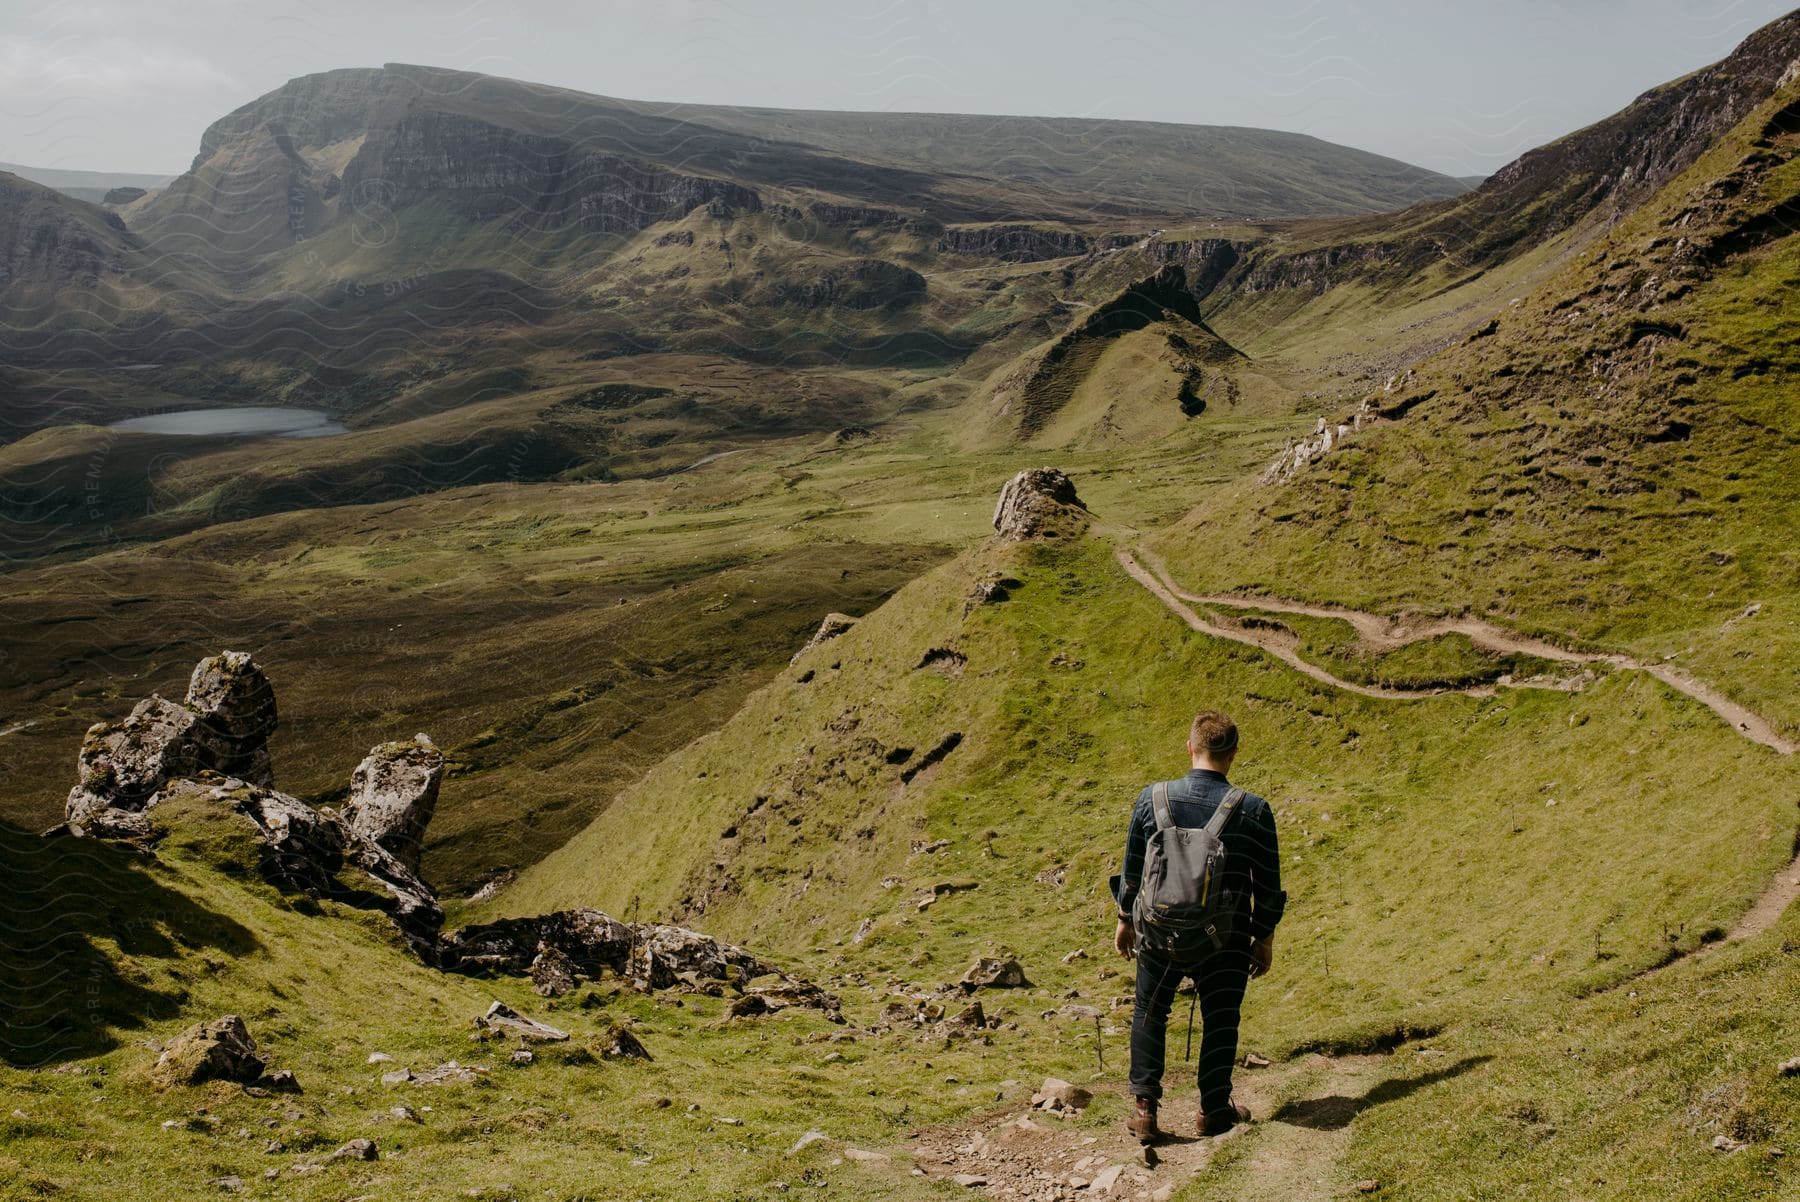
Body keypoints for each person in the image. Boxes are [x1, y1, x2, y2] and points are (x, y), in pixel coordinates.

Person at [1111, 709, 1285, 1143]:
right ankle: (1213, 1110)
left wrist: (1124, 920)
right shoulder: (1254, 810)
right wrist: (1262, 940)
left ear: (1190, 748)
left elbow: (1133, 871)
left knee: (1149, 1012)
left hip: (1157, 934)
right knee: (1221, 1017)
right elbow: (1267, 885)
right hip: (1225, 939)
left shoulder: (1152, 799)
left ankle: (1145, 1109)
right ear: (1234, 754)